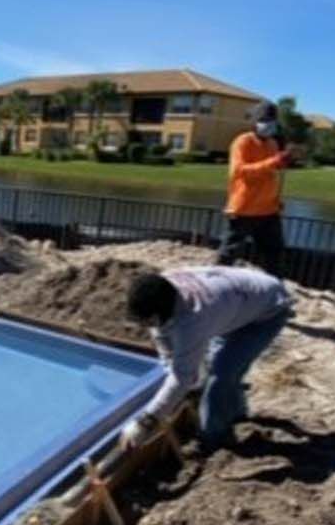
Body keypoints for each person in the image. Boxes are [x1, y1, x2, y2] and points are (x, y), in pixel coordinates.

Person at [122, 265, 293, 452]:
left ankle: (213, 439)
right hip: (234, 304)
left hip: (266, 310)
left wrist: (147, 421)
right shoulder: (160, 292)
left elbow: (182, 376)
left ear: (161, 312)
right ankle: (237, 415)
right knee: (220, 370)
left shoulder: (192, 321)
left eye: (148, 321)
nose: (146, 327)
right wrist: (183, 380)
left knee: (220, 376)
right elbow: (164, 343)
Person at [217, 101, 294, 276]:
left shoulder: (273, 144)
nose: (269, 124)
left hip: (268, 209)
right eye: (264, 119)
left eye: (272, 120)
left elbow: (270, 175)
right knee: (229, 252)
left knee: (274, 252)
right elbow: (239, 171)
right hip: (244, 208)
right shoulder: (242, 142)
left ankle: (273, 285)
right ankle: (217, 281)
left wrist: (276, 198)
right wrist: (273, 162)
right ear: (254, 121)